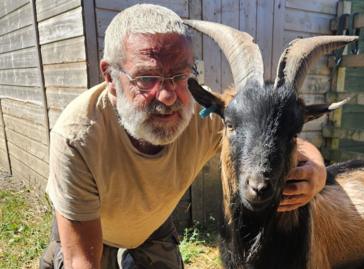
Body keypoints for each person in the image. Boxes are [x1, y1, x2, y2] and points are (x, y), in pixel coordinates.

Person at [40, 4, 327, 269]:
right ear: (110, 77)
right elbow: (81, 259)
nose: (167, 97)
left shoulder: (197, 118)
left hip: (151, 226)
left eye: (180, 76)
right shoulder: (77, 138)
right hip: (93, 227)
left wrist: (317, 170)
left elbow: (272, 136)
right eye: (147, 78)